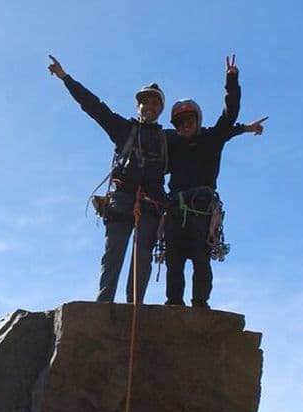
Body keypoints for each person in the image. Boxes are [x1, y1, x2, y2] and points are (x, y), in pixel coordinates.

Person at [48, 54, 171, 304]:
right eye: (145, 102)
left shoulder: (168, 140)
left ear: (160, 109)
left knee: (142, 259)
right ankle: (104, 306)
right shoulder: (122, 129)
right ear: (138, 106)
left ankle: (133, 308)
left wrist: (240, 128)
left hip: (151, 205)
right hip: (122, 200)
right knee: (112, 255)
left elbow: (204, 142)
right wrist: (65, 78)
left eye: (155, 103)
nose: (149, 106)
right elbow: (94, 106)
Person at [164, 54, 267, 308]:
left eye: (189, 120)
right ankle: (174, 304)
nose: (185, 125)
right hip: (176, 208)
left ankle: (200, 304)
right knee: (174, 259)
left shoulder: (212, 137)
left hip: (201, 208)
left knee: (201, 258)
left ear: (198, 119)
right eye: (180, 122)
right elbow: (146, 137)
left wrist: (231, 81)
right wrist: (245, 129)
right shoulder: (171, 141)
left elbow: (229, 115)